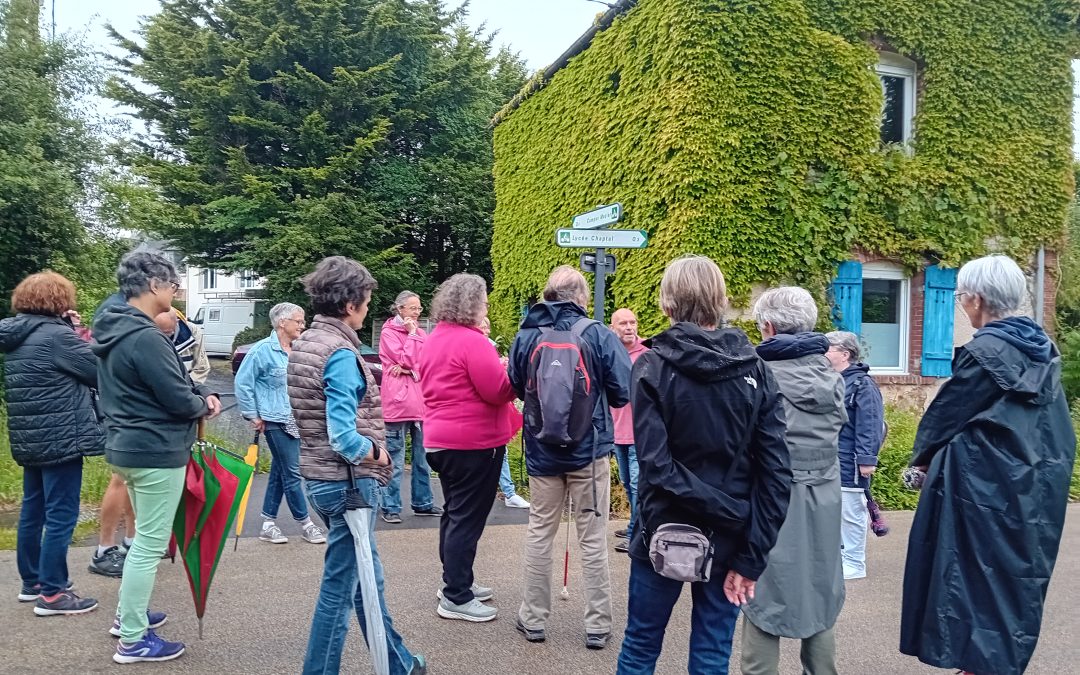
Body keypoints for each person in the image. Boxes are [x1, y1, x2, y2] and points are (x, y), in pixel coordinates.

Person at [615, 256, 792, 674]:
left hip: (665, 526)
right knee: (712, 652)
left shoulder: (652, 367)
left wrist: (747, 547)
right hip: (729, 532)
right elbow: (777, 474)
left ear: (667, 305)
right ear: (721, 300)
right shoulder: (757, 372)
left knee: (641, 644)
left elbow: (656, 467)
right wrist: (749, 547)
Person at [900, 255, 1076, 675]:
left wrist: (921, 464)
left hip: (984, 491)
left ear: (976, 299)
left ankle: (980, 666)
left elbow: (944, 416)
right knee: (1010, 582)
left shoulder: (986, 352)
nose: (961, 303)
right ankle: (990, 664)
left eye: (961, 296)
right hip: (1031, 489)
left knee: (971, 580)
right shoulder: (1041, 349)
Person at [287, 256, 425, 675]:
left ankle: (399, 663)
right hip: (348, 483)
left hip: (321, 477)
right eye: (365, 299)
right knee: (341, 586)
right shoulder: (340, 353)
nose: (368, 308)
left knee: (366, 577)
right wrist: (380, 456)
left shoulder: (307, 342)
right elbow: (343, 436)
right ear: (350, 304)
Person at [92, 252, 222, 663]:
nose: (175, 291)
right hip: (154, 449)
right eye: (172, 285)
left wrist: (194, 400)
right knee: (149, 544)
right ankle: (132, 638)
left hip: (129, 445)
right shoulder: (145, 336)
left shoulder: (114, 327)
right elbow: (176, 397)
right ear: (153, 285)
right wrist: (204, 405)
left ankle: (127, 615)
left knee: (144, 541)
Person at [509, 266, 632, 649]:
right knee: (592, 539)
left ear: (548, 294)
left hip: (543, 454)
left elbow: (515, 386)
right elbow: (623, 392)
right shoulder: (598, 334)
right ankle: (597, 625)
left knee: (539, 533)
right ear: (580, 297)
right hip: (588, 452)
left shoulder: (527, 335)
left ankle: (533, 619)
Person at [741, 286, 846, 675]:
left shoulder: (757, 376)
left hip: (771, 496)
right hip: (824, 494)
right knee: (819, 588)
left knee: (761, 590)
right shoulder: (831, 374)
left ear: (768, 327)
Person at [1, 271, 104, 614]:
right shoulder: (58, 336)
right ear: (59, 301)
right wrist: (76, 332)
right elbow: (97, 372)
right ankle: (53, 593)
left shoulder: (16, 335)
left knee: (33, 509)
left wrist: (69, 330)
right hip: (62, 436)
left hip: (29, 436)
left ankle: (32, 581)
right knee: (61, 514)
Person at [420, 274, 520, 622]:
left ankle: (455, 581)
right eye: (485, 302)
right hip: (473, 442)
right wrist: (510, 374)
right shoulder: (472, 341)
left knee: (454, 513)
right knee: (467, 518)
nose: (487, 307)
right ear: (472, 305)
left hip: (439, 439)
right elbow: (497, 391)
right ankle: (456, 596)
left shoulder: (434, 339)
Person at [234, 302, 326, 545]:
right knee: (293, 472)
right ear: (282, 322)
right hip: (274, 418)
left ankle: (267, 523)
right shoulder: (262, 350)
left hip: (297, 418)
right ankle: (306, 523)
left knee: (280, 472)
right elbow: (243, 383)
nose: (302, 325)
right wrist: (252, 414)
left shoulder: (297, 349)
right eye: (298, 320)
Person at [824, 330, 885, 580]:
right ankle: (840, 558)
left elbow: (870, 423)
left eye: (828, 348)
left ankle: (854, 563)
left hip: (851, 460)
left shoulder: (863, 384)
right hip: (831, 459)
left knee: (851, 514)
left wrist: (867, 460)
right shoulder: (832, 380)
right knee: (835, 512)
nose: (823, 352)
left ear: (844, 354)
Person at [378, 291, 440, 524]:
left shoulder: (422, 333)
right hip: (397, 403)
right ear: (400, 309)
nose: (417, 312)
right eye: (413, 308)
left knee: (423, 458)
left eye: (419, 308)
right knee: (393, 458)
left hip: (421, 402)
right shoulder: (388, 333)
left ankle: (423, 503)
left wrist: (409, 368)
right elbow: (405, 360)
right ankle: (390, 506)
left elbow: (426, 362)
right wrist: (413, 338)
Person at [89, 292, 137, 579]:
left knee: (131, 481)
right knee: (120, 479)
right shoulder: (117, 312)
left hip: (125, 413)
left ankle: (131, 539)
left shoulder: (118, 311)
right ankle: (104, 547)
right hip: (123, 416)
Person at [608, 308, 647, 554]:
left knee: (637, 484)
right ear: (613, 328)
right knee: (627, 482)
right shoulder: (611, 353)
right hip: (617, 433)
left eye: (633, 322)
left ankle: (636, 533)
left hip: (639, 433)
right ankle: (634, 524)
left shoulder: (647, 354)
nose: (629, 327)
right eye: (623, 323)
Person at [480, 316, 529, 510]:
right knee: (492, 450)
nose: (485, 330)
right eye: (482, 326)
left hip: (495, 407)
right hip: (484, 409)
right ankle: (504, 492)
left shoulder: (490, 346)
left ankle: (507, 491)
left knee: (501, 449)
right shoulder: (478, 347)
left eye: (487, 326)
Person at [153, 308, 210, 384]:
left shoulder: (193, 331)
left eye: (168, 332)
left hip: (187, 387)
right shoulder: (147, 332)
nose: (165, 337)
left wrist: (188, 388)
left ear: (177, 321)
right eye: (161, 332)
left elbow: (201, 367)